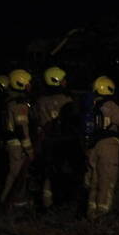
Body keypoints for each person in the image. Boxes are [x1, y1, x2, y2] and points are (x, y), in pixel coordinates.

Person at [83, 75, 119, 221]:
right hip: (108, 145)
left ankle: (90, 213)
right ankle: (104, 214)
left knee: (94, 179)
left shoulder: (90, 105)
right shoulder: (111, 105)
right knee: (108, 178)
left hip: (92, 146)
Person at [33, 66, 76, 210]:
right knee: (60, 170)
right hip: (62, 140)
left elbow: (36, 119)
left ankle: (46, 202)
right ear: (57, 80)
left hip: (46, 141)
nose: (65, 82)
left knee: (47, 171)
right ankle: (58, 201)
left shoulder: (40, 100)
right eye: (63, 80)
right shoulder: (66, 100)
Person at [0, 68, 34, 212]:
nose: (30, 85)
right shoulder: (20, 105)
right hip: (17, 145)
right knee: (16, 174)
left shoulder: (10, 101)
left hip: (12, 143)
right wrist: (29, 149)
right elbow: (21, 129)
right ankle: (8, 204)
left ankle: (11, 202)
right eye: (28, 83)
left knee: (14, 174)